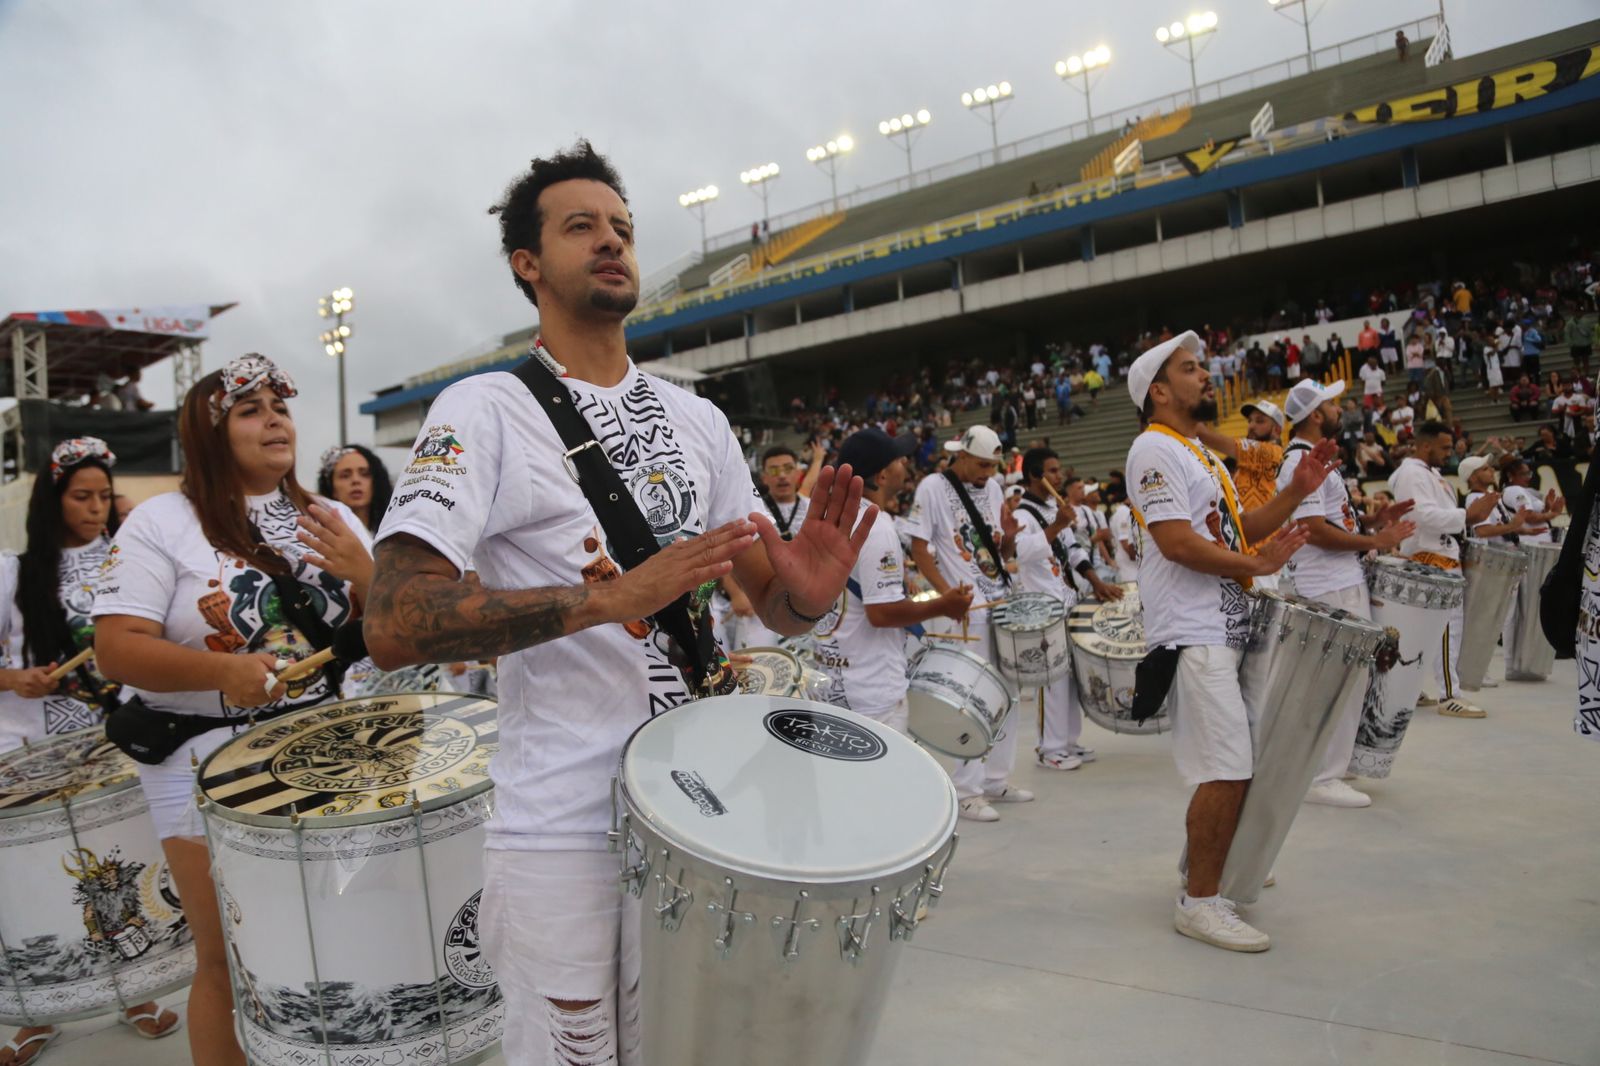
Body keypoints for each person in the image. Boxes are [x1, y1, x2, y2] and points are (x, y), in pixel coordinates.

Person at [361, 142, 873, 1064]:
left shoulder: (700, 421)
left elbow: (770, 605)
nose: (612, 243)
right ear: (529, 262)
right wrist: (606, 602)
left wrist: (813, 591)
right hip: (563, 824)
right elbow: (395, 622)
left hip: (701, 805)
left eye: (625, 229)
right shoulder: (482, 411)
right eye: (581, 226)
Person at [93, 355, 373, 1066]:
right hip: (203, 761)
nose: (275, 417)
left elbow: (393, 630)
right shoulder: (163, 521)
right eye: (249, 409)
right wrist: (224, 671)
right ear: (210, 435)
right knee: (231, 956)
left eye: (280, 404)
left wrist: (369, 577)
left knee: (335, 939)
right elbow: (116, 650)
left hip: (326, 752)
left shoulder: (331, 516)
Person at [1125, 330, 1332, 952]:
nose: (1205, 376)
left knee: (1236, 764)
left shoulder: (1201, 454)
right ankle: (1201, 904)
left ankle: (1204, 871)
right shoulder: (1152, 450)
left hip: (1226, 623)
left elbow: (1241, 529)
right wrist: (1259, 566)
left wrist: (1295, 495)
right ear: (1159, 391)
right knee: (1225, 770)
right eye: (1191, 370)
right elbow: (1177, 543)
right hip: (1194, 632)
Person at [0, 438, 182, 1063]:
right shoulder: (14, 572)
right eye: (82, 496)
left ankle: (133, 991)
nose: (96, 508)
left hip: (114, 743)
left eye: (105, 496)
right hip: (33, 753)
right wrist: (14, 678)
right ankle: (32, 1014)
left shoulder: (130, 559)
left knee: (118, 872)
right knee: (34, 884)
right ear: (53, 500)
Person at [1276, 381, 1416, 809]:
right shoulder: (1300, 460)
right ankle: (1322, 776)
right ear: (1316, 414)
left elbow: (1331, 521)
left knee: (1350, 680)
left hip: (1337, 580)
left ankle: (1331, 764)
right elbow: (1313, 531)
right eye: (1332, 404)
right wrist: (1376, 541)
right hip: (1328, 585)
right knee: (1338, 681)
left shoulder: (1312, 458)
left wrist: (1372, 523)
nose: (1340, 409)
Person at [907, 425, 1031, 822]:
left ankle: (996, 780)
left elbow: (995, 549)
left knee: (1007, 692)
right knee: (971, 699)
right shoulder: (931, 487)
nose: (988, 473)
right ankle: (966, 791)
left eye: (994, 466)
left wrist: (1009, 541)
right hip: (964, 608)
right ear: (960, 455)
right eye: (981, 464)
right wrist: (946, 595)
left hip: (998, 599)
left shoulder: (994, 490)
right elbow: (919, 547)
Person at [810, 428, 972, 730]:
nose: (906, 465)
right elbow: (881, 613)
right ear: (882, 476)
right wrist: (943, 606)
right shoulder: (876, 526)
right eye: (899, 460)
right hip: (872, 694)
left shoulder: (829, 518)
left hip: (832, 684)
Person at [1014, 448, 1123, 771]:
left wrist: (1095, 581)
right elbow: (1023, 553)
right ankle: (1049, 748)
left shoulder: (1053, 508)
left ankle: (1069, 740)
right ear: (1034, 475)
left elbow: (1074, 551)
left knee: (1070, 678)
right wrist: (1056, 526)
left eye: (1059, 470)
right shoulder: (1023, 515)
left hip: (1067, 600)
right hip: (1043, 608)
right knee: (1051, 679)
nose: (1059, 477)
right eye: (1052, 471)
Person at [1390, 421, 1501, 719]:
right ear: (1425, 445)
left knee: (1426, 632)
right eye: (1445, 448)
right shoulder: (1412, 473)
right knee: (1446, 629)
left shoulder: (1432, 474)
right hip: (1430, 557)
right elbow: (1420, 514)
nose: (1450, 454)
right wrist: (1467, 515)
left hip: (1443, 555)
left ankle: (1406, 688)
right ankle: (1449, 694)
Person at [729, 443, 823, 647]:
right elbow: (726, 554)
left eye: (788, 469)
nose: (782, 475)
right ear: (764, 477)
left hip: (806, 602)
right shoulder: (750, 511)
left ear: (798, 472)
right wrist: (736, 594)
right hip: (761, 603)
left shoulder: (813, 509)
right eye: (774, 470)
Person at [1197, 400, 1284, 512]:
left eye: (1260, 421)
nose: (1251, 426)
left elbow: (1205, 435)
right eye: (1250, 421)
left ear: (1277, 430)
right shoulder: (1250, 458)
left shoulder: (1272, 452)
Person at [316, 443, 395, 533]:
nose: (355, 480)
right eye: (345, 476)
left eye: (365, 474)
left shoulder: (393, 532)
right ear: (331, 488)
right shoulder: (321, 536)